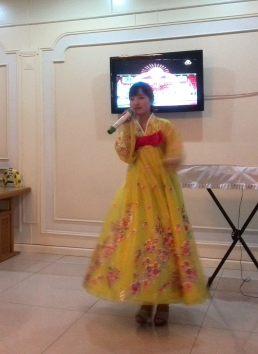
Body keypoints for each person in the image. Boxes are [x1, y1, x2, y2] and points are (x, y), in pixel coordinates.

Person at [83, 82, 208, 326]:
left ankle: (164, 303)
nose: (136, 102)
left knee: (164, 242)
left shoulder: (165, 126)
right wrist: (127, 129)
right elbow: (126, 155)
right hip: (137, 192)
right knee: (141, 242)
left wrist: (168, 160)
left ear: (151, 100)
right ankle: (145, 300)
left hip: (162, 191)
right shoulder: (128, 127)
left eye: (141, 97)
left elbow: (176, 150)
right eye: (132, 98)